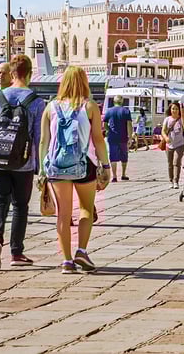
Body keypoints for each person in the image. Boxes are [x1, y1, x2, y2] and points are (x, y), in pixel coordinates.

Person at [38, 66, 112, 274]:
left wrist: (42, 170)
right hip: (84, 163)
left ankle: (66, 261)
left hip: (56, 165)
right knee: (86, 209)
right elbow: (97, 139)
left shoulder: (51, 107)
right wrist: (105, 166)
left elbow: (44, 140)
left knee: (63, 213)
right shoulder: (89, 107)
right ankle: (81, 250)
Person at [0, 54, 46, 270]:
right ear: (29, 74)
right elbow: (39, 137)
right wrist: (40, 166)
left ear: (11, 74)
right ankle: (16, 252)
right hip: (23, 163)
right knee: (20, 206)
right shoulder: (36, 102)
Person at [102, 95, 133, 181]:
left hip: (112, 137)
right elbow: (129, 124)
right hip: (123, 137)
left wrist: (109, 130)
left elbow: (104, 124)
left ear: (114, 101)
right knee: (124, 155)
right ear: (122, 101)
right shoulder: (126, 111)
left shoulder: (109, 111)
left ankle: (114, 176)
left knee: (113, 156)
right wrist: (130, 137)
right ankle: (123, 174)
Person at [161, 102, 184, 188]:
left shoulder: (182, 119)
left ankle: (176, 181)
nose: (174, 110)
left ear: (179, 110)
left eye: (176, 109)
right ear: (170, 110)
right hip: (169, 145)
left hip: (180, 144)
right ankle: (171, 180)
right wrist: (166, 138)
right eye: (173, 109)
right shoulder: (167, 119)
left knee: (176, 162)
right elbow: (163, 131)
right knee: (170, 163)